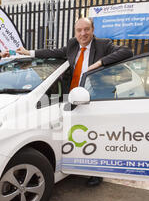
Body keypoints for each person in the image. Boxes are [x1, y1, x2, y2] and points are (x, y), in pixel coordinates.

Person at [17, 17, 133, 187]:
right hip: (72, 94)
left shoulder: (103, 44)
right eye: (79, 30)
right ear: (75, 32)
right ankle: (74, 162)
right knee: (75, 132)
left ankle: (95, 172)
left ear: (92, 30)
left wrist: (99, 63)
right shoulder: (72, 44)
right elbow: (53, 53)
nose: (83, 33)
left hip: (94, 96)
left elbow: (127, 52)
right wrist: (29, 53)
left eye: (86, 29)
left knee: (94, 134)